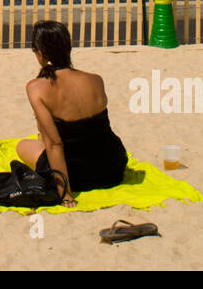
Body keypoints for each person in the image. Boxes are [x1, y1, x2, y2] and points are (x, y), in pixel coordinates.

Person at [15, 21, 128, 207]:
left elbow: (55, 144)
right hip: (112, 169)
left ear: (40, 53)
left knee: (23, 146)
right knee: (45, 135)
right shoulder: (96, 80)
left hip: (76, 175)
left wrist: (65, 192)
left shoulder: (36, 88)